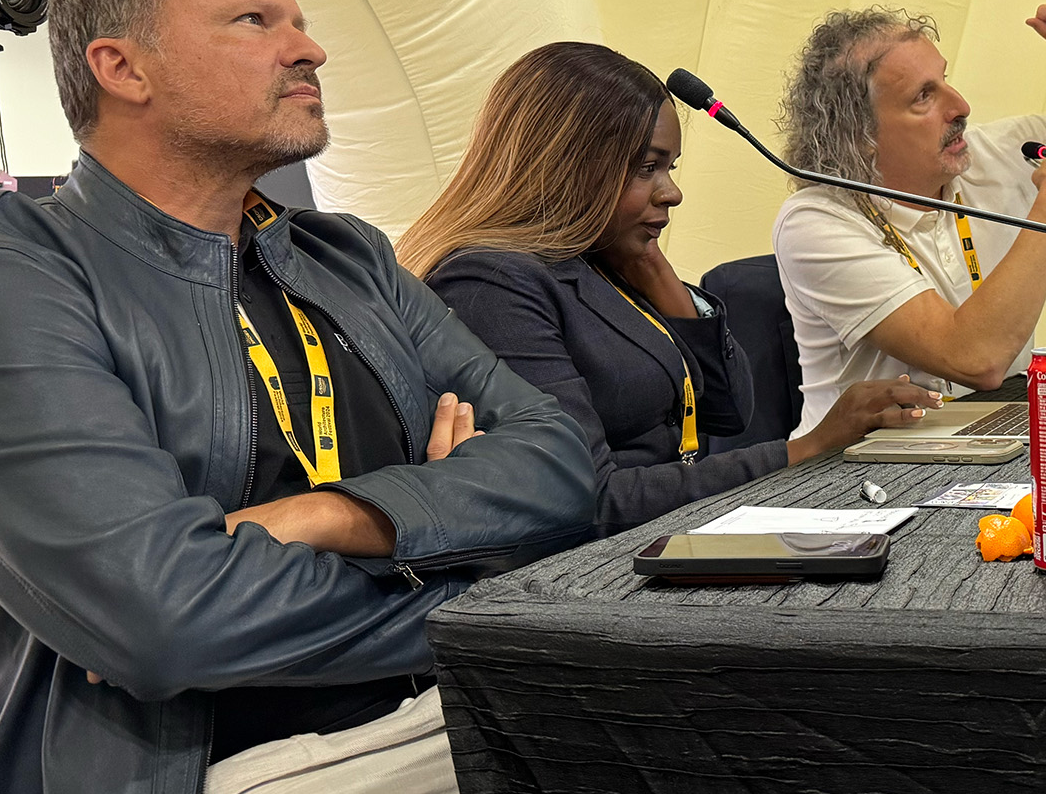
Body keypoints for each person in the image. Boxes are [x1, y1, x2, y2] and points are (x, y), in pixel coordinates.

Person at [0, 0, 598, 794]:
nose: (308, 47)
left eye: (302, 21)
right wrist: (469, 564)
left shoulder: (345, 258)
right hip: (199, 791)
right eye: (254, 21)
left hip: (470, 718)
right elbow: (164, 623)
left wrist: (343, 515)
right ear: (120, 66)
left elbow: (561, 459)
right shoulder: (5, 284)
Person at [400, 43, 939, 531]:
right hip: (597, 569)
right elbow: (591, 498)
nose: (673, 192)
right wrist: (808, 446)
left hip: (671, 532)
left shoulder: (597, 261)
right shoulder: (491, 284)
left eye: (670, 167)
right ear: (567, 168)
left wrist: (653, 269)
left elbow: (728, 411)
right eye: (647, 168)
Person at [773, 0, 1046, 433]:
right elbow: (976, 358)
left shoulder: (999, 151)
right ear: (860, 136)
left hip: (990, 431)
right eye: (924, 96)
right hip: (853, 470)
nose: (960, 106)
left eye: (944, 79)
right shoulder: (815, 221)